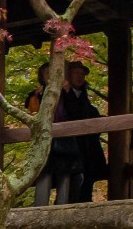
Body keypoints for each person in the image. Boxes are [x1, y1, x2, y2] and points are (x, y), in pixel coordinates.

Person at [35, 61, 105, 205]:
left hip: (83, 147)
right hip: (64, 144)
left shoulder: (82, 96)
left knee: (79, 178)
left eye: (82, 74)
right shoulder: (59, 94)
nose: (80, 77)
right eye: (76, 73)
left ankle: (76, 204)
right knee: (63, 175)